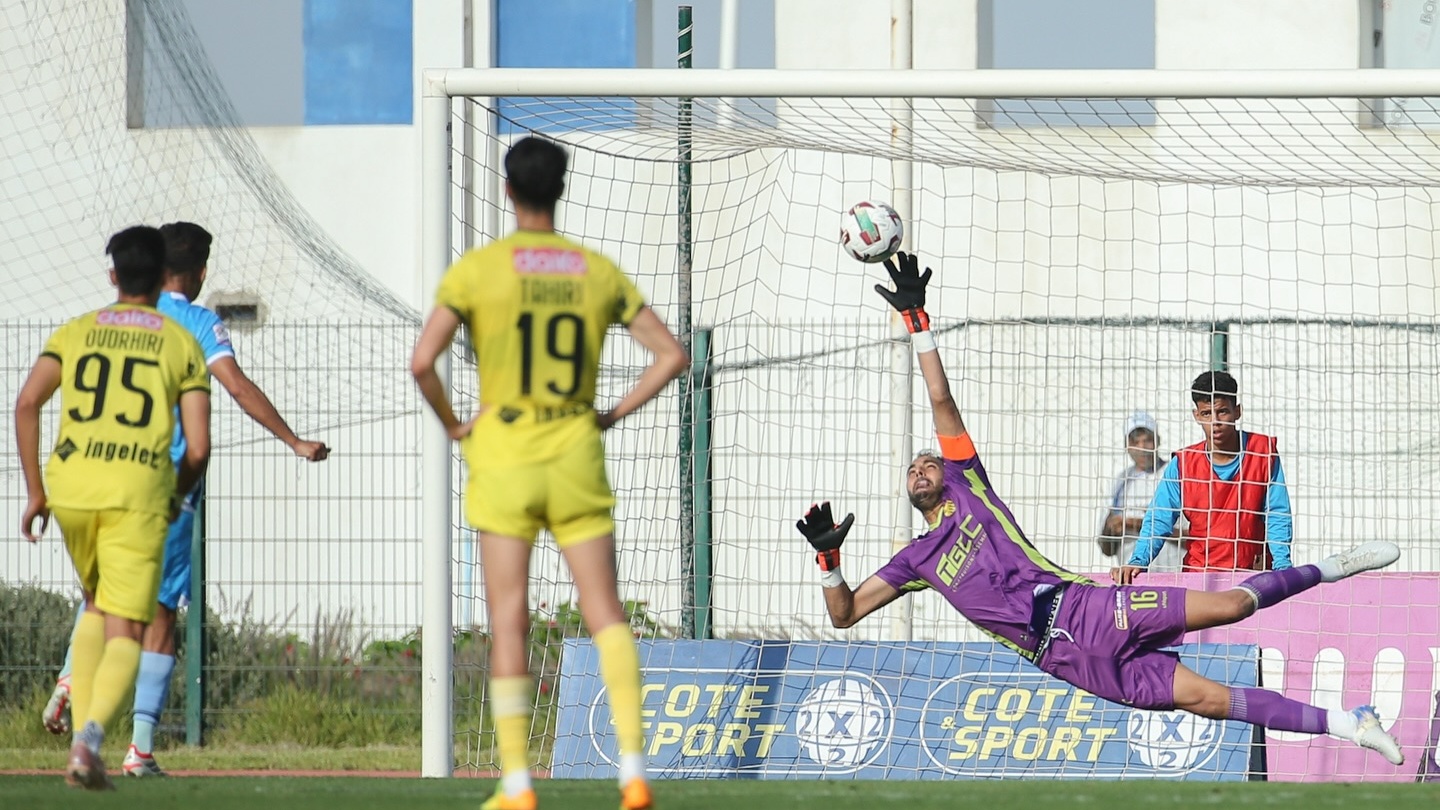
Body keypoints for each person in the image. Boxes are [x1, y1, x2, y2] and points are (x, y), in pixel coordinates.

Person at [796, 251, 1403, 767]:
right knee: (1212, 700)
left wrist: (916, 322)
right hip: (1065, 659)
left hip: (1085, 607)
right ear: (908, 491)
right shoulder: (914, 561)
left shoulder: (967, 485)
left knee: (1233, 604)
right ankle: (1351, 724)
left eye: (930, 461)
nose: (923, 468)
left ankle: (1333, 566)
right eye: (914, 469)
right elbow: (845, 614)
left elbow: (940, 397)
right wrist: (829, 560)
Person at [410, 136, 688, 810]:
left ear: (508, 191)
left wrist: (453, 424)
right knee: (606, 612)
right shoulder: (595, 270)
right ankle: (631, 770)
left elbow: (423, 361)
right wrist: (612, 414)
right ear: (561, 189)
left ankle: (517, 782)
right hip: (573, 453)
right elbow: (672, 355)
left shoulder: (479, 270)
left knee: (508, 619)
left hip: (504, 454)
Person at [39, 221, 332, 776]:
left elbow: (36, 399)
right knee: (159, 615)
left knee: (100, 594)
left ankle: (73, 677)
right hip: (161, 487)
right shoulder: (195, 324)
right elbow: (236, 388)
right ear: (198, 272)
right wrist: (294, 440)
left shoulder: (100, 325)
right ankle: (137, 747)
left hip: (91, 480)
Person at [16, 225, 212, 789]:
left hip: (72, 489)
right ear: (162, 278)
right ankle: (90, 742)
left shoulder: (76, 331)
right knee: (130, 625)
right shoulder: (179, 343)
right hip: (136, 492)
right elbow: (197, 446)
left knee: (96, 603)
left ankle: (75, 698)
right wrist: (174, 496)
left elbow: (26, 402)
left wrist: (36, 491)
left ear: (112, 276)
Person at [1115, 370, 1291, 581]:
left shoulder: (1263, 452)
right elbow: (1159, 518)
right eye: (1207, 413)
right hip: (1200, 577)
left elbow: (1278, 512)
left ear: (1237, 411)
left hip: (1251, 576)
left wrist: (1282, 566)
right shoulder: (1183, 464)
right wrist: (1138, 561)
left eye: (1223, 412)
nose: (1215, 421)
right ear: (1196, 415)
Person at [1096, 410, 1182, 571]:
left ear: (1158, 441)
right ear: (1127, 445)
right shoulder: (1120, 483)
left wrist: (1138, 524)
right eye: (1135, 442)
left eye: (1147, 440)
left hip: (1174, 575)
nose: (1142, 448)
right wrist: (1113, 528)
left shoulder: (1174, 474)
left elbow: (1191, 536)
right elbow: (1106, 548)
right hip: (1134, 580)